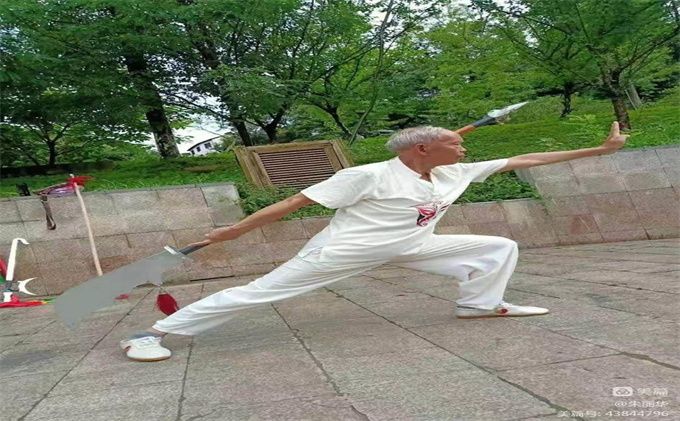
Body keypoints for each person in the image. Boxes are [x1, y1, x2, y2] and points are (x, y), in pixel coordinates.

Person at [120, 122, 628, 362]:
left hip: (411, 246)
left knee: (498, 247)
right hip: (340, 254)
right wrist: (237, 229)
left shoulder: (455, 172)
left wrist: (599, 150)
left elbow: (525, 160)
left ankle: (478, 304)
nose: (463, 147)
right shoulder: (366, 175)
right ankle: (150, 333)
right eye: (455, 142)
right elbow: (294, 202)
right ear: (423, 148)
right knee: (258, 293)